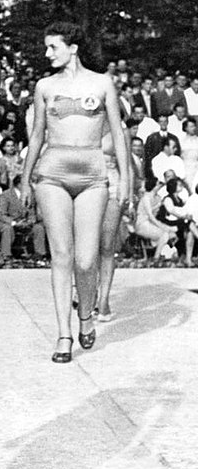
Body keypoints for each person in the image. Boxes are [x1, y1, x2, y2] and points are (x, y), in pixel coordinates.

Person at [21, 21, 128, 363]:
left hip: (93, 177)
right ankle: (63, 334)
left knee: (86, 260)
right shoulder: (44, 87)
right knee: (62, 255)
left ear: (73, 47)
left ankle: (85, 317)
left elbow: (119, 134)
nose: (47, 53)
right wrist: (25, 179)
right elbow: (37, 136)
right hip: (52, 175)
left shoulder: (102, 83)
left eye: (53, 46)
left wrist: (125, 179)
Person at [95, 116, 132, 321]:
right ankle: (87, 293)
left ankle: (103, 301)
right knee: (87, 244)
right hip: (86, 183)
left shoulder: (121, 129)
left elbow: (127, 166)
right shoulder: (85, 122)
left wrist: (129, 198)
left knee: (107, 245)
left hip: (112, 185)